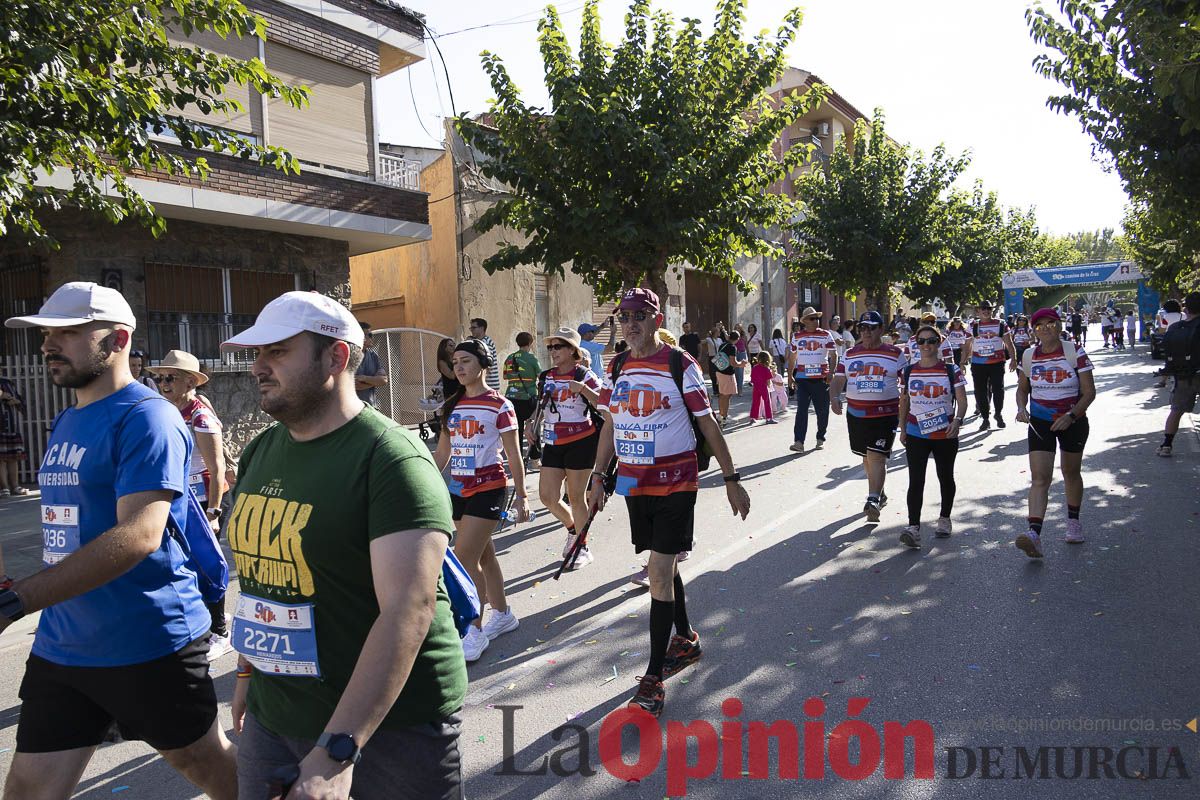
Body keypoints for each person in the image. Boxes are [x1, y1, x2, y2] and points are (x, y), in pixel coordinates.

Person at [218, 291, 467, 798]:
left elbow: (408, 610)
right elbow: (265, 578)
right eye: (256, 354)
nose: (259, 368)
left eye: (278, 352)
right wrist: (247, 670)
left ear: (336, 357)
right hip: (275, 712)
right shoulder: (262, 450)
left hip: (390, 727)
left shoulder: (392, 460)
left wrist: (337, 749)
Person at [1, 282, 236, 800]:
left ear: (119, 338)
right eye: (46, 334)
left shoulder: (147, 416)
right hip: (65, 644)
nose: (48, 345)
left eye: (67, 332)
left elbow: (139, 535)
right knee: (27, 791)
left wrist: (20, 599)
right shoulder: (68, 419)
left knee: (209, 767)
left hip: (148, 640)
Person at [588, 288, 750, 718]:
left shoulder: (681, 363)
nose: (631, 323)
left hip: (677, 483)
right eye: (624, 316)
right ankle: (686, 638)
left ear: (656, 318)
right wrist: (597, 476)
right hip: (635, 485)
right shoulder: (618, 365)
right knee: (665, 569)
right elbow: (609, 425)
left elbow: (708, 423)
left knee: (659, 572)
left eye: (640, 315)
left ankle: (653, 679)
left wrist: (732, 479)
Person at [434, 339, 529, 663]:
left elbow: (514, 455)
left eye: (465, 361)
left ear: (482, 365)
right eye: (455, 362)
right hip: (458, 491)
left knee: (463, 560)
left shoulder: (500, 406)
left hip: (489, 488)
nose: (459, 367)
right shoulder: (452, 406)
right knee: (483, 557)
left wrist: (523, 497)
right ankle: (502, 613)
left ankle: (472, 629)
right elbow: (443, 454)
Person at [148, 350, 230, 661]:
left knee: (208, 563)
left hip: (205, 500)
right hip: (182, 499)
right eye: (160, 378)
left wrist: (214, 512)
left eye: (171, 378)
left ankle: (220, 631)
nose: (164, 383)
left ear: (190, 382)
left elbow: (217, 466)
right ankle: (201, 626)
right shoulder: (166, 410)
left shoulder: (200, 415)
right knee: (186, 565)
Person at [1013, 308, 1096, 558]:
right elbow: (1022, 388)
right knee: (1040, 478)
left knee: (1071, 472)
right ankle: (1034, 534)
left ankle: (1073, 522)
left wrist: (1070, 416)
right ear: (1034, 330)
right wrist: (1020, 407)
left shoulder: (1074, 352)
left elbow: (1089, 391)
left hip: (1073, 421)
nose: (1046, 328)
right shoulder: (1029, 355)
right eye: (1040, 325)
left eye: (1051, 323)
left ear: (1059, 326)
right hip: (1040, 422)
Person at [531, 327, 602, 570]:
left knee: (575, 497)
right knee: (547, 496)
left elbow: (603, 402)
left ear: (572, 350)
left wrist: (582, 389)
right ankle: (574, 529)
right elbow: (540, 405)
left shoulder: (584, 374)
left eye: (558, 346)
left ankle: (582, 547)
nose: (552, 351)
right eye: (550, 347)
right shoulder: (545, 376)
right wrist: (532, 425)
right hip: (552, 441)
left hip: (581, 441)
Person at [830, 311, 905, 522]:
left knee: (876, 456)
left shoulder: (894, 353)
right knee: (866, 457)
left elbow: (907, 380)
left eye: (871, 327)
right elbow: (838, 378)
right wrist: (834, 396)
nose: (866, 331)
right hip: (857, 414)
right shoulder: (850, 353)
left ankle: (872, 499)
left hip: (885, 414)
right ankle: (879, 492)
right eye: (862, 327)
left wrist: (908, 405)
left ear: (881, 329)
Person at [897, 326, 968, 548]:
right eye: (922, 341)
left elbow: (962, 399)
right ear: (916, 344)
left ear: (939, 343)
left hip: (944, 433)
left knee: (945, 476)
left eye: (931, 341)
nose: (926, 345)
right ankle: (913, 527)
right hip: (917, 432)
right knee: (916, 480)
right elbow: (904, 401)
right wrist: (902, 428)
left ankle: (945, 518)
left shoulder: (950, 369)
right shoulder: (908, 371)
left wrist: (957, 420)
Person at [787, 307, 838, 452]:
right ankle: (799, 442)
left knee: (822, 411)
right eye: (812, 318)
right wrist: (790, 376)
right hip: (802, 379)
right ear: (805, 321)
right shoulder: (797, 336)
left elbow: (834, 355)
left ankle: (820, 437)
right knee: (801, 410)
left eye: (817, 318)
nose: (816, 321)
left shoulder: (826, 334)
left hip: (821, 378)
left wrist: (832, 372)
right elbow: (792, 357)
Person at [1156, 292, 1200, 457]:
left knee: (1176, 411)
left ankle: (1166, 445)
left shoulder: (1175, 328)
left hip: (1182, 375)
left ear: (1186, 309)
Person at [965, 300, 1016, 430]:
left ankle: (998, 413)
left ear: (992, 310)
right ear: (978, 311)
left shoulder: (1001, 324)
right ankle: (985, 418)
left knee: (998, 390)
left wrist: (1014, 360)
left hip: (997, 363)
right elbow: (967, 345)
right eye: (983, 309)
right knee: (980, 392)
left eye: (988, 309)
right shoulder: (972, 325)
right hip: (978, 364)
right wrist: (962, 361)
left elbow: (1009, 343)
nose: (986, 311)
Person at [502, 332, 542, 454]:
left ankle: (517, 456)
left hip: (511, 398)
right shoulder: (532, 359)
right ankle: (534, 456)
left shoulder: (509, 358)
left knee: (516, 429)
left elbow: (505, 376)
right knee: (534, 427)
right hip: (528, 397)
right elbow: (540, 376)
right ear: (530, 343)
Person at [0, 373, 28, 497]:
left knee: (13, 458)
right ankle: (4, 488)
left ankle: (15, 486)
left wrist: (14, 401)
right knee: (0, 459)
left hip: (11, 425)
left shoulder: (7, 382)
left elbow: (20, 402)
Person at [354, 322, 389, 406]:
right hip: (354, 409)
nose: (371, 337)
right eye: (368, 335)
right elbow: (355, 385)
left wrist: (363, 378)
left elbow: (383, 380)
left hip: (372, 406)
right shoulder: (349, 356)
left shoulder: (373, 356)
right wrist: (374, 380)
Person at [714, 330, 744, 426]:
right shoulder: (732, 347)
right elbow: (733, 363)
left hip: (719, 371)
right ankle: (724, 417)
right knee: (727, 395)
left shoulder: (723, 345)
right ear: (737, 339)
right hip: (727, 374)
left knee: (722, 394)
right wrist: (741, 364)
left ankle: (720, 415)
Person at [468, 318, 500, 391]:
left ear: (482, 328)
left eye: (474, 328)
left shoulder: (485, 343)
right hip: (485, 385)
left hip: (489, 385)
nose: (471, 330)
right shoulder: (479, 342)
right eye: (471, 328)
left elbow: (487, 365)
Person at [749, 352, 778, 424]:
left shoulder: (755, 367)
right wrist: (769, 386)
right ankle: (769, 418)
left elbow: (752, 378)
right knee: (767, 402)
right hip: (763, 387)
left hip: (756, 387)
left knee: (755, 402)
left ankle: (752, 417)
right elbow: (768, 380)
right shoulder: (766, 369)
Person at [702, 326, 725, 397]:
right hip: (712, 357)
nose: (719, 333)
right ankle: (715, 390)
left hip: (719, 357)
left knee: (720, 374)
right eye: (718, 331)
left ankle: (720, 390)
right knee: (713, 374)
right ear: (715, 332)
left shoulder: (720, 340)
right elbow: (701, 342)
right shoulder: (709, 339)